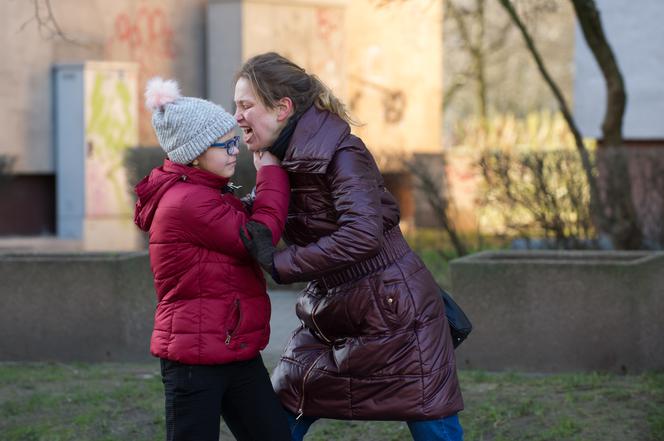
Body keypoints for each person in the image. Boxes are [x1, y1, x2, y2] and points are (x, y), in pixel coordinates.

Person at [234, 53, 464, 441]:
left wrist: (281, 262)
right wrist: (186, 198)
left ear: (282, 109)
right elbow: (256, 215)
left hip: (394, 308)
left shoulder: (343, 153)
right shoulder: (279, 160)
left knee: (430, 415)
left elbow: (362, 234)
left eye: (245, 106)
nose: (237, 117)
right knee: (282, 409)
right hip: (330, 309)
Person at [134, 77, 292, 441]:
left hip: (231, 348)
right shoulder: (188, 201)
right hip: (195, 360)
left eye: (234, 141)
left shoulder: (205, 191)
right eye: (226, 145)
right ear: (194, 152)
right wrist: (271, 171)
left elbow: (240, 222)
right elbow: (258, 236)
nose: (235, 151)